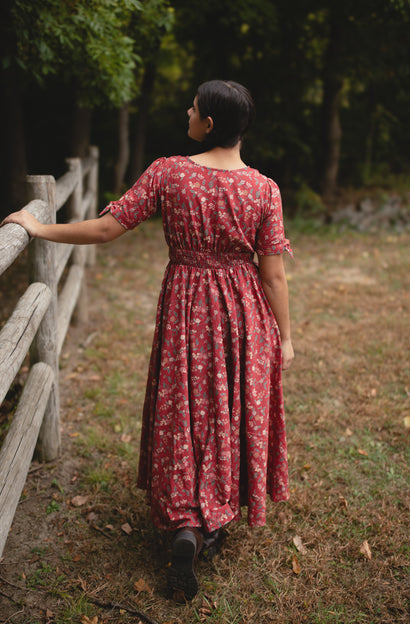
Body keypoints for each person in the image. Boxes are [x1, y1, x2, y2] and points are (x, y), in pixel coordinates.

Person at [1, 79, 294, 602]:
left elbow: (105, 230)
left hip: (186, 302)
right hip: (243, 310)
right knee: (226, 409)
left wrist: (37, 228)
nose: (188, 111)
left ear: (208, 124)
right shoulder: (263, 188)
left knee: (185, 406)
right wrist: (285, 337)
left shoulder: (169, 171)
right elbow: (273, 276)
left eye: (194, 108)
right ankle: (213, 519)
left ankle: (184, 519)